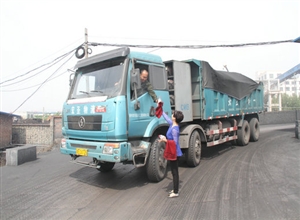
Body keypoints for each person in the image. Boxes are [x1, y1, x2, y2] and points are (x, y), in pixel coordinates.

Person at [159, 110, 184, 198]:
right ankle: (175, 189)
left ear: (175, 118)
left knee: (174, 172)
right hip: (173, 151)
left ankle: (176, 191)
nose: (172, 114)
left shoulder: (175, 129)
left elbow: (174, 143)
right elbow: (166, 117)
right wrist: (160, 108)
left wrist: (164, 139)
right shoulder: (172, 124)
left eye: (173, 114)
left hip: (175, 153)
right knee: (174, 172)